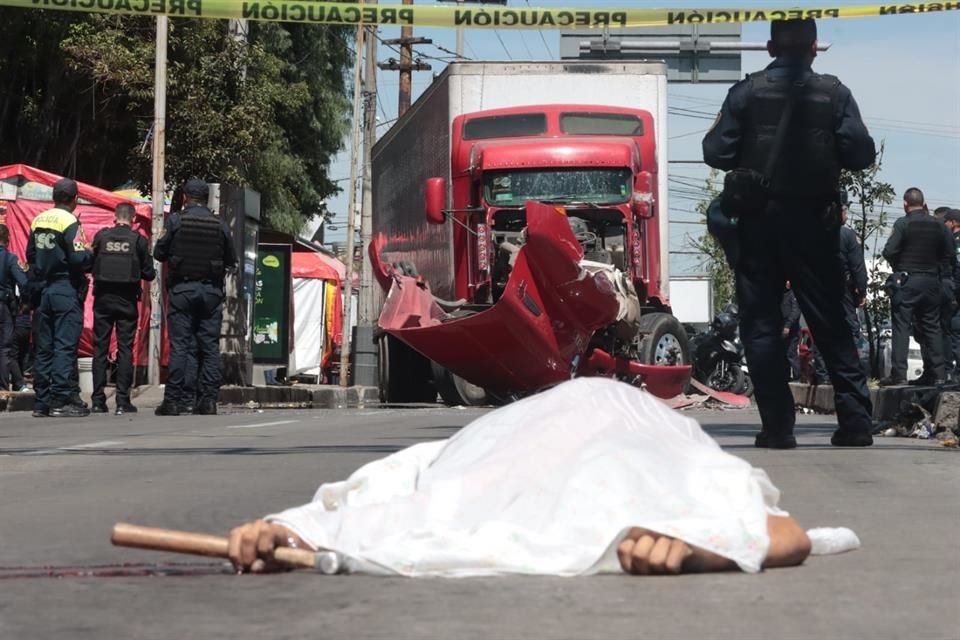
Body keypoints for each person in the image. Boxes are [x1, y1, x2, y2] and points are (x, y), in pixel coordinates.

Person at [225, 378, 815, 576]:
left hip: (614, 430)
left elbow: (785, 534)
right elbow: (395, 486)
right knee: (461, 487)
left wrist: (704, 549)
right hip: (530, 433)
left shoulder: (658, 457)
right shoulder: (482, 459)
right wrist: (294, 529)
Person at [702, 18, 877, 448]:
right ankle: (855, 423)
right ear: (815, 48)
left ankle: (778, 427)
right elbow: (861, 154)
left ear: (769, 48)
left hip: (759, 224)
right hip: (815, 226)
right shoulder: (835, 94)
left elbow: (716, 151)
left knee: (761, 326)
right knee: (832, 324)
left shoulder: (745, 92)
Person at [154, 178, 236, 416]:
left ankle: (173, 401)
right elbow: (231, 259)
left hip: (183, 291)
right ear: (207, 199)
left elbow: (160, 252)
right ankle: (208, 401)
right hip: (211, 293)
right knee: (209, 347)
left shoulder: (177, 221)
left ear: (185, 197)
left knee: (181, 346)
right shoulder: (220, 225)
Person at [26, 178, 93, 418]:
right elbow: (77, 258)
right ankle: (62, 398)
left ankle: (42, 401)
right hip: (65, 288)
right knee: (65, 346)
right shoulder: (70, 221)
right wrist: (90, 255)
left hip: (45, 290)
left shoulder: (38, 220)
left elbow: (30, 255)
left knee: (44, 347)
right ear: (74, 199)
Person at [880, 188, 953, 386]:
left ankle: (899, 375)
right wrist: (937, 269)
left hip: (908, 281)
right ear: (924, 202)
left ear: (905, 204)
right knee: (932, 326)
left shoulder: (903, 223)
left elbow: (889, 251)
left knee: (902, 326)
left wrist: (899, 267)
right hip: (932, 282)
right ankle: (937, 374)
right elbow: (949, 252)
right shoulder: (939, 226)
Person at [90, 203, 156, 415]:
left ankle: (98, 401)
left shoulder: (101, 237)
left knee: (100, 349)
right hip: (127, 301)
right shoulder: (138, 240)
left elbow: (89, 264)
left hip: (103, 299)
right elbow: (149, 273)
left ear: (114, 217)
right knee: (125, 349)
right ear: (134, 219)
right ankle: (122, 401)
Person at [0, 224, 28, 390]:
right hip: (3, 308)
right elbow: (23, 283)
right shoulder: (10, 259)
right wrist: (24, 304)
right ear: (8, 239)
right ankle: (2, 388)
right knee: (4, 348)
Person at [837, 193, 868, 341]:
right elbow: (857, 266)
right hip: (843, 288)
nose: (847, 216)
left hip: (819, 286)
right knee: (849, 326)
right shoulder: (848, 235)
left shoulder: (813, 234)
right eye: (845, 211)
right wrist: (861, 290)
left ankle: (822, 365)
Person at [941, 209, 960, 379]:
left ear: (953, 223)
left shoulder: (953, 241)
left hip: (955, 292)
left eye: (946, 222)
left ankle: (952, 370)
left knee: (952, 330)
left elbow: (955, 267)